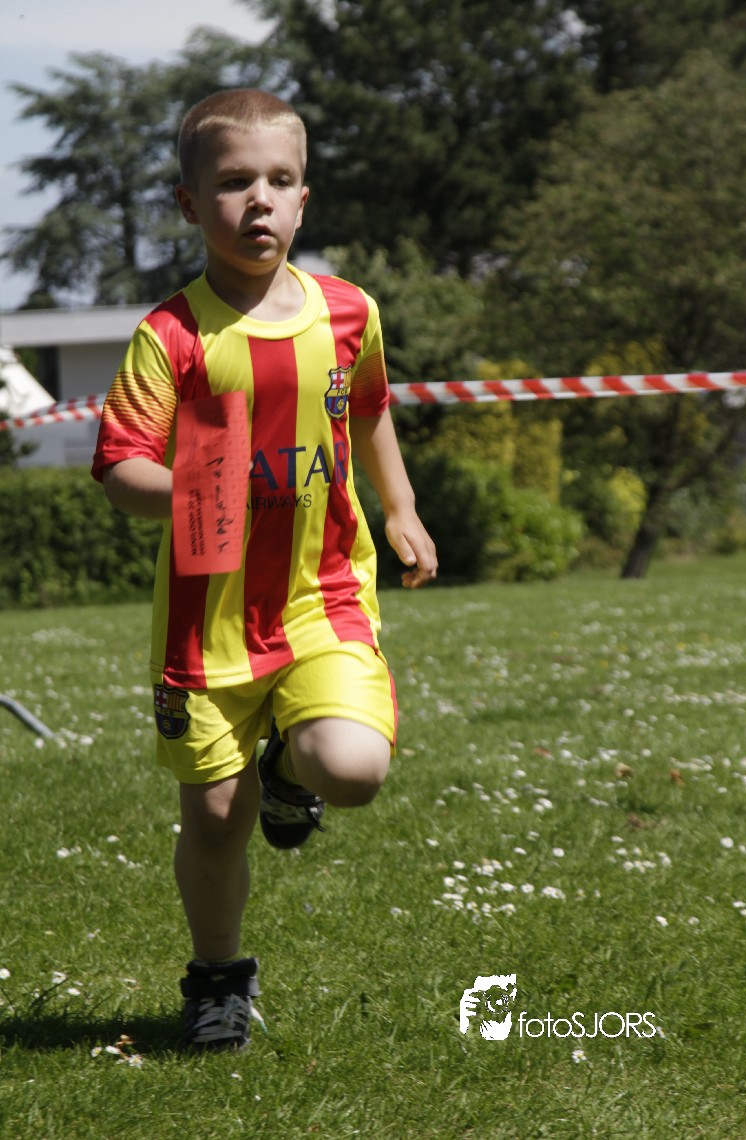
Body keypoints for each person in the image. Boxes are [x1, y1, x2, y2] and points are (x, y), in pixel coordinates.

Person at [91, 88, 437, 1051]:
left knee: (352, 768)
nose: (259, 200)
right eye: (234, 181)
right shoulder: (171, 336)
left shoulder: (349, 311)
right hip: (206, 625)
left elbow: (369, 409)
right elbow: (119, 466)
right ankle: (218, 982)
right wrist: (196, 490)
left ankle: (291, 768)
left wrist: (401, 507)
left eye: (279, 181)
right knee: (213, 817)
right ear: (189, 204)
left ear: (303, 199)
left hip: (324, 597)